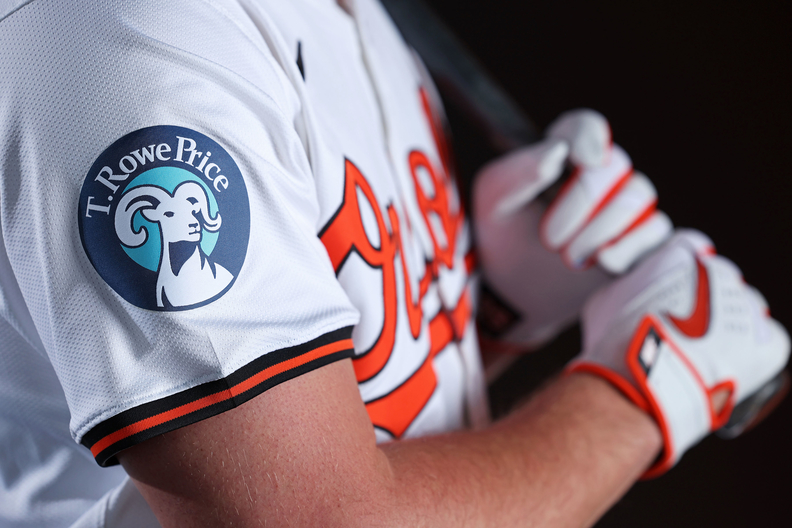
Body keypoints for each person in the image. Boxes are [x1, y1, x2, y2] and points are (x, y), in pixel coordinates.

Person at [0, 0, 787, 526]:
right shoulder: (127, 39)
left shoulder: (354, 16)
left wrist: (487, 312)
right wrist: (649, 385)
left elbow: (301, 420)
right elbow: (311, 520)